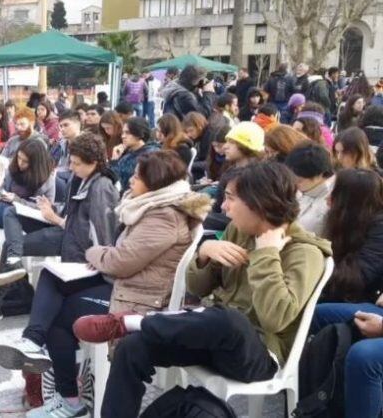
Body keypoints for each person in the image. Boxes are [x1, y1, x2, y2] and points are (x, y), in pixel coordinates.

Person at [73, 161, 330, 418]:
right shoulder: (238, 231)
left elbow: (275, 319)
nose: (224, 207)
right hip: (214, 337)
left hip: (260, 354)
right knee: (132, 347)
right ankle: (136, 328)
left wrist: (267, 253)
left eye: (230, 199)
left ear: (258, 203)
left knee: (230, 320)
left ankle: (140, 321)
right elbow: (197, 287)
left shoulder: (304, 252)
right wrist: (204, 256)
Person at [0, 151, 211, 417]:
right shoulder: (151, 206)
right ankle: (32, 344)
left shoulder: (163, 216)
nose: (130, 179)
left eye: (137, 176)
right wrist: (103, 256)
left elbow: (121, 261)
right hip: (126, 284)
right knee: (51, 277)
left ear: (154, 182)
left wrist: (93, 254)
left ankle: (70, 401)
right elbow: (123, 255)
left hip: (138, 301)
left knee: (59, 315)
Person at [0, 132, 119, 279]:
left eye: (76, 163)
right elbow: (71, 210)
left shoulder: (102, 188)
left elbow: (97, 233)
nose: (71, 168)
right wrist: (52, 208)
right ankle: (13, 277)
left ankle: (11, 292)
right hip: (61, 226)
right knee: (11, 212)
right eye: (71, 162)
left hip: (71, 240)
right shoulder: (79, 177)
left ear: (93, 163)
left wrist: (56, 219)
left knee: (9, 246)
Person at [320, 169, 383, 303]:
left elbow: (359, 276)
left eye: (333, 193)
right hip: (339, 291)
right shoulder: (343, 220)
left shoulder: (379, 228)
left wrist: (310, 272)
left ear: (348, 199)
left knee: (315, 313)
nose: (327, 197)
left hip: (367, 302)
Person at [0, 138, 56, 227]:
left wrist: (17, 200)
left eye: (25, 161)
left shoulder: (47, 181)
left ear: (35, 163)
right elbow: (3, 187)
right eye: (19, 158)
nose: (20, 163)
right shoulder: (13, 169)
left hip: (27, 216)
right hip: (6, 206)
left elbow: (45, 208)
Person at [284, 142, 335, 237]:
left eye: (299, 181)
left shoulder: (330, 201)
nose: (294, 184)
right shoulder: (305, 188)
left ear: (319, 175)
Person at [110, 117, 159, 192]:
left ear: (139, 133)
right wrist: (115, 159)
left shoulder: (150, 155)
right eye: (123, 133)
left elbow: (117, 179)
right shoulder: (127, 152)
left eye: (128, 133)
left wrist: (114, 161)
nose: (123, 136)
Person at [50, 111, 82, 184]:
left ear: (77, 124)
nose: (62, 129)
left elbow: (78, 174)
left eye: (66, 125)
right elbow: (49, 161)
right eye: (61, 126)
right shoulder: (60, 144)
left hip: (74, 183)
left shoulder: (85, 145)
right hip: (58, 179)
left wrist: (55, 174)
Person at [183, 112, 213, 180]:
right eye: (187, 132)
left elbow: (208, 162)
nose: (189, 135)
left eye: (191, 131)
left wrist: (190, 165)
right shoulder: (197, 138)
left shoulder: (209, 136)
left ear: (199, 126)